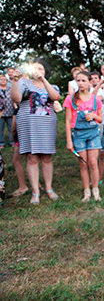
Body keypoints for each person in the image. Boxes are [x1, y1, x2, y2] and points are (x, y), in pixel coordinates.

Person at [9, 58, 61, 205]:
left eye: (41, 69)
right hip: (28, 124)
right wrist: (14, 81)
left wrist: (43, 80)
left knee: (46, 157)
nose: (37, 71)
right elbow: (16, 98)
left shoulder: (52, 86)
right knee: (31, 158)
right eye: (35, 68)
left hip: (47, 124)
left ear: (45, 72)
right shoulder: (24, 83)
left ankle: (49, 188)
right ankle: (35, 192)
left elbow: (55, 97)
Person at [64, 68, 102, 202]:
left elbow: (101, 119)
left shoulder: (96, 99)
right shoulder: (71, 99)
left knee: (93, 163)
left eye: (83, 81)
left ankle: (96, 190)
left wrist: (94, 116)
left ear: (90, 83)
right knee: (83, 163)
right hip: (78, 134)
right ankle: (86, 191)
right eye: (78, 81)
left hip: (93, 133)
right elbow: (68, 121)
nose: (80, 83)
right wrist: (69, 140)